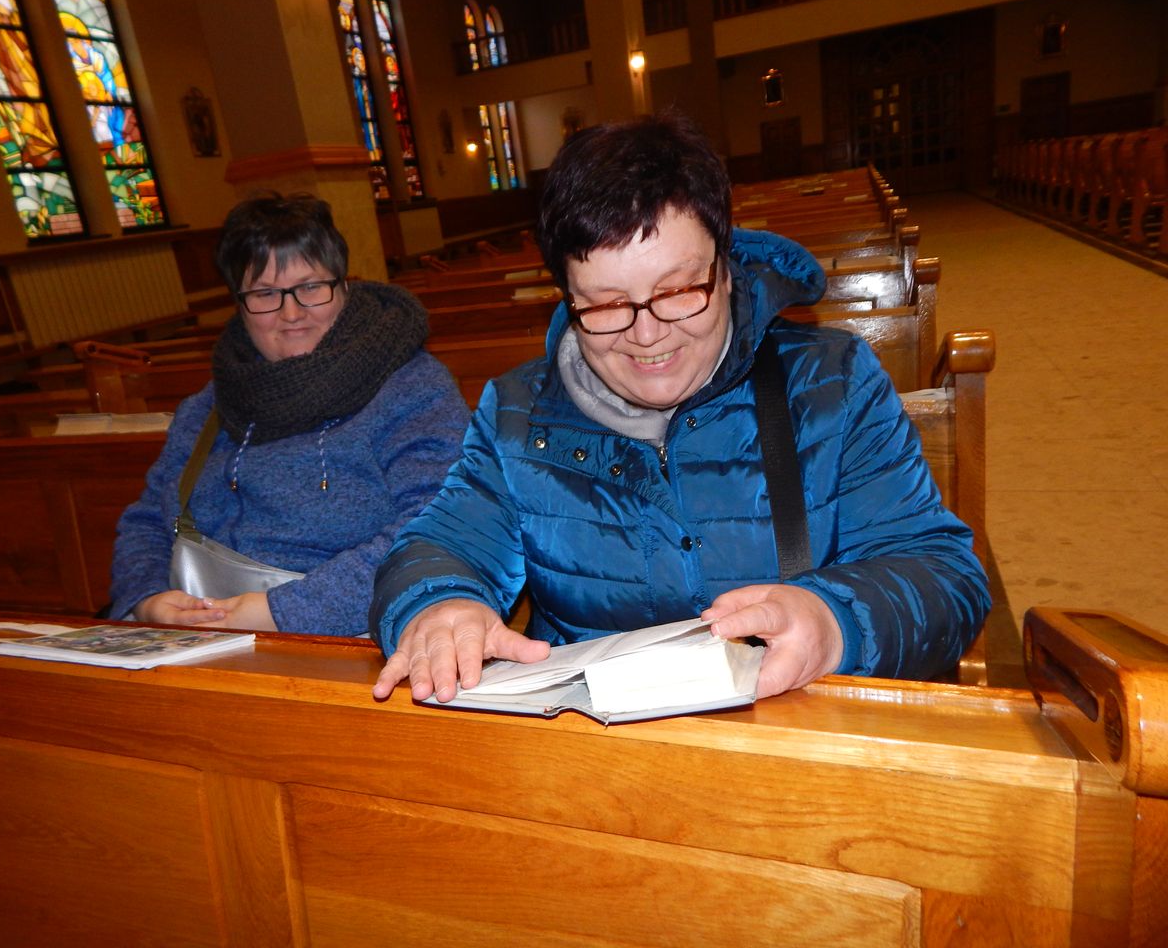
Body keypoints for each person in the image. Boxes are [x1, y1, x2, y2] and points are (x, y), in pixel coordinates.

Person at [370, 112, 990, 702]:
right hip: (594, 747)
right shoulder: (517, 414)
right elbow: (441, 547)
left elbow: (944, 575)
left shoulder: (832, 383)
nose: (647, 335)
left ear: (725, 270)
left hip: (791, 738)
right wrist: (437, 605)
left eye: (678, 290)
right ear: (567, 299)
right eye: (606, 304)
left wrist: (834, 621)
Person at [109, 192, 470, 634]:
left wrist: (283, 612)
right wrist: (147, 598)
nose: (291, 313)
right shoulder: (208, 407)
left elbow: (440, 522)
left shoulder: (412, 387)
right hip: (202, 630)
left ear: (343, 286)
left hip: (353, 630)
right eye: (265, 293)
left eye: (311, 288)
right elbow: (148, 519)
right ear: (239, 304)